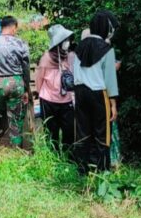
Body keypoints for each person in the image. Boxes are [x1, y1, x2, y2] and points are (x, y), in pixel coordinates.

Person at [73, 10, 120, 172]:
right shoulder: (106, 49)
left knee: (82, 131)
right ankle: (102, 170)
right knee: (102, 133)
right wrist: (113, 104)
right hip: (99, 94)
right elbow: (110, 80)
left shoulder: (78, 47)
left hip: (79, 92)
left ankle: (82, 169)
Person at [0, 15, 31, 147]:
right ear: (14, 27)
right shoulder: (21, 44)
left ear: (1, 27)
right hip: (17, 83)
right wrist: (26, 89)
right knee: (16, 120)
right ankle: (17, 150)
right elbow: (26, 68)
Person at [36, 24, 76, 155]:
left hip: (67, 100)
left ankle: (68, 158)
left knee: (69, 132)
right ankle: (53, 158)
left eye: (68, 39)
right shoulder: (46, 58)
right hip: (48, 100)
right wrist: (40, 94)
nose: (67, 42)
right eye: (64, 40)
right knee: (50, 132)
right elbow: (39, 80)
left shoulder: (71, 56)